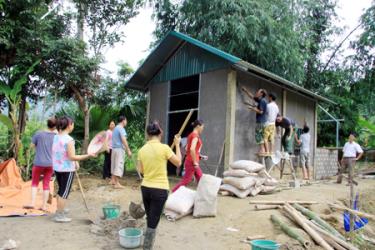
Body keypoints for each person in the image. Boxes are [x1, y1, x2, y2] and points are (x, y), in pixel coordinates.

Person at [137, 122, 182, 250]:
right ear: (160, 133)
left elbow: (142, 171)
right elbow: (178, 162)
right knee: (153, 219)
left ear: (147, 134)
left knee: (151, 217)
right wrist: (177, 145)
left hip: (145, 188)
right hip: (160, 189)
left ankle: (148, 242)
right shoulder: (165, 148)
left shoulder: (141, 150)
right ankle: (147, 247)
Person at [52, 116, 96, 222]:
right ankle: (60, 215)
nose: (73, 126)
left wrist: (75, 162)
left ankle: (59, 209)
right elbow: (72, 156)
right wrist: (88, 155)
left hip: (58, 168)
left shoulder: (56, 137)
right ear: (69, 125)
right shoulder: (69, 140)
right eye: (72, 124)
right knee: (64, 192)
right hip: (67, 170)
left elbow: (64, 153)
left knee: (61, 190)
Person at [24, 117, 57, 211]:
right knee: (46, 184)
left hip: (38, 162)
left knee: (34, 183)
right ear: (55, 126)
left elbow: (31, 146)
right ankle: (44, 206)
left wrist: (38, 149)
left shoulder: (38, 134)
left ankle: (32, 203)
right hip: (50, 164)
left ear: (47, 124)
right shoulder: (56, 136)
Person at [172, 120, 205, 192]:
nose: (203, 129)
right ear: (198, 126)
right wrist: (195, 162)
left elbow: (187, 149)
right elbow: (192, 149)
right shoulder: (195, 136)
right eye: (202, 127)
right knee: (186, 180)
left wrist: (199, 156)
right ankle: (173, 191)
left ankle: (203, 196)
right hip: (192, 162)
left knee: (200, 179)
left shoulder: (190, 135)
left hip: (191, 161)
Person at [242, 87, 268, 154]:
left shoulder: (262, 101)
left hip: (261, 121)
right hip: (263, 121)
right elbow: (252, 97)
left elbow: (261, 112)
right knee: (261, 135)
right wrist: (245, 90)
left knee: (259, 135)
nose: (257, 92)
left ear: (261, 94)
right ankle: (263, 150)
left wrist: (252, 108)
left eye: (258, 92)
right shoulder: (261, 100)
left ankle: (262, 150)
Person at [110, 116, 132, 188]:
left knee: (114, 165)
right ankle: (117, 184)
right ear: (123, 121)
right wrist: (128, 149)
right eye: (126, 120)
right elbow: (123, 139)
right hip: (119, 149)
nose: (126, 122)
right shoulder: (121, 128)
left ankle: (113, 180)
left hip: (114, 149)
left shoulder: (115, 128)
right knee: (118, 165)